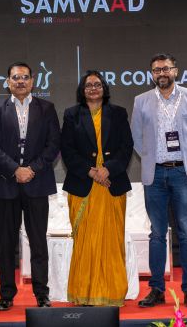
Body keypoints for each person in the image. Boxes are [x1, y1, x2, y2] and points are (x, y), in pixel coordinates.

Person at [131, 53, 187, 310]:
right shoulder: (141, 101)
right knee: (156, 234)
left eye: (165, 69)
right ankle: (156, 288)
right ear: (151, 74)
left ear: (175, 71)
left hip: (182, 174)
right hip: (154, 174)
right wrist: (152, 158)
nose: (161, 73)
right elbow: (136, 137)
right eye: (156, 70)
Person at [0, 62, 61, 311]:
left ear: (32, 81)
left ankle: (42, 293)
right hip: (6, 184)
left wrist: (32, 169)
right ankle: (6, 294)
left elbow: (53, 145)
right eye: (15, 77)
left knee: (38, 242)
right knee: (6, 243)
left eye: (25, 77)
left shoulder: (46, 108)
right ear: (7, 81)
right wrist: (15, 170)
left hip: (37, 184)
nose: (20, 81)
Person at [61, 70, 133, 306]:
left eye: (98, 84)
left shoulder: (118, 113)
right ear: (82, 90)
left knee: (111, 243)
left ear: (105, 89)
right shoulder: (72, 115)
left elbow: (126, 147)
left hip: (112, 184)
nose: (93, 88)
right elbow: (67, 150)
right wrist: (91, 171)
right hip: (84, 185)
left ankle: (111, 293)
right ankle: (84, 292)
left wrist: (108, 169)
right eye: (88, 85)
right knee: (85, 242)